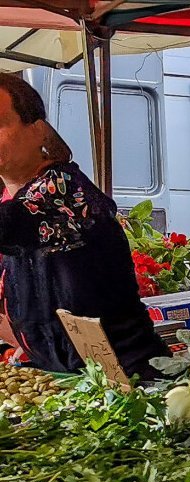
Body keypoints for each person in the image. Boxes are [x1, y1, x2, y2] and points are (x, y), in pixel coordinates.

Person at [0, 73, 167, 377]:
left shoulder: (63, 189)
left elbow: (11, 226)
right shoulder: (8, 200)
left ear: (37, 131)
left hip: (124, 376)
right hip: (62, 376)